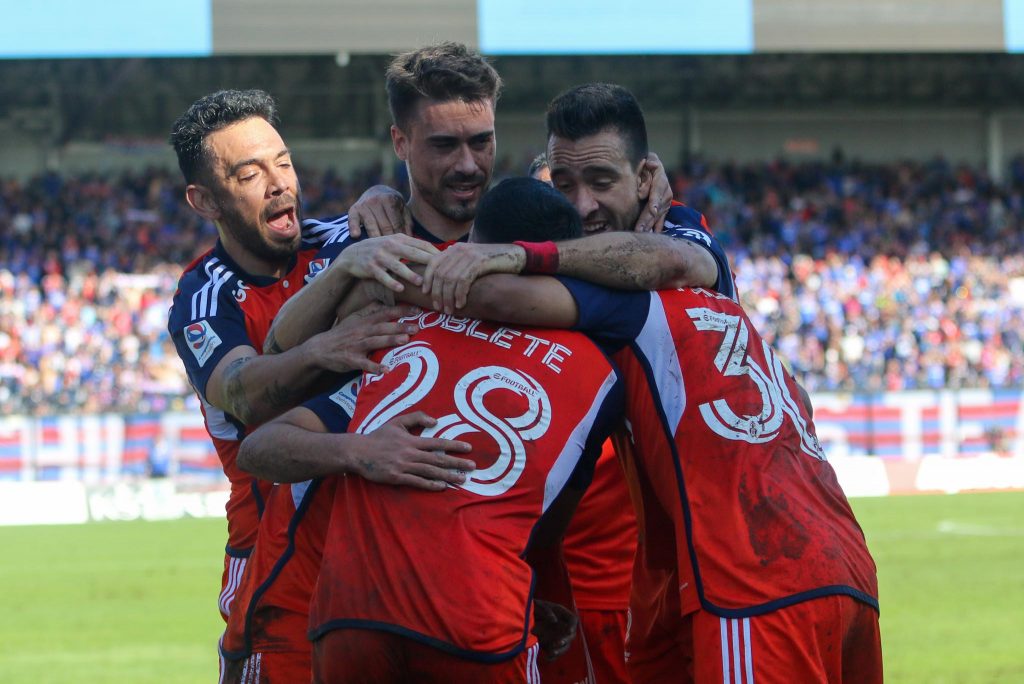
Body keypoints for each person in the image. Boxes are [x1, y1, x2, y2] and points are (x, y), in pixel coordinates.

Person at [373, 83, 881, 682]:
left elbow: (495, 290)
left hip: (755, 576)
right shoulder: (682, 254)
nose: (582, 205)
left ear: (645, 179)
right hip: (818, 564)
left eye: (602, 183)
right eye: (565, 187)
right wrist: (384, 200)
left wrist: (374, 263)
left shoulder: (634, 289)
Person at [245, 178, 624, 683]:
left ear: (468, 249)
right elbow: (549, 521)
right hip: (480, 629)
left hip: (353, 618)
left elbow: (258, 446)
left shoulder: (407, 332)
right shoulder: (599, 369)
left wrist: (359, 451)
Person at [166, 88, 444, 625]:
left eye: (284, 163)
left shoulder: (343, 239)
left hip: (379, 535)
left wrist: (384, 192)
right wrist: (322, 350)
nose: (279, 185)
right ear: (205, 201)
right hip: (273, 554)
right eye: (249, 176)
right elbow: (244, 394)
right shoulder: (205, 296)